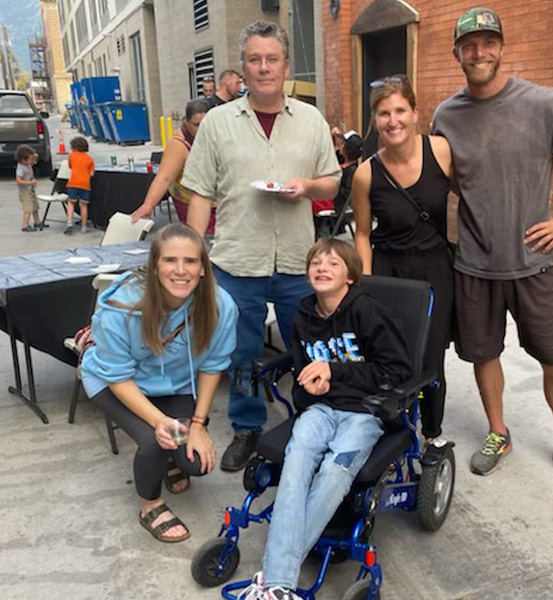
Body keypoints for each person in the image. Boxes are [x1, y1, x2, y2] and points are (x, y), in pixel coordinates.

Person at [431, 7, 553, 490]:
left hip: (536, 264)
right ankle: (499, 432)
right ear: (457, 53)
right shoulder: (446, 115)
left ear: (501, 47)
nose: (479, 52)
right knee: (482, 354)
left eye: (487, 43)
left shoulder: (544, 104)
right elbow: (450, 179)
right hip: (475, 264)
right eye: (469, 45)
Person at [180, 20, 341, 473]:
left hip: (297, 262)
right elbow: (200, 194)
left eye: (272, 59)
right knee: (242, 352)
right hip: (236, 259)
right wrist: (194, 259)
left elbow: (333, 178)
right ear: (243, 67)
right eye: (255, 59)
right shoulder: (216, 123)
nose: (264, 67)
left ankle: (312, 421)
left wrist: (308, 186)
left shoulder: (310, 120)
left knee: (308, 347)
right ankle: (248, 428)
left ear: (286, 66)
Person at [238, 238, 411, 600]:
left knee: (335, 470)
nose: (322, 268)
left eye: (333, 263)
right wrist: (309, 390)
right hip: (319, 409)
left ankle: (274, 579)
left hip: (364, 411)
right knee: (296, 465)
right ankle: (280, 586)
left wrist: (335, 372)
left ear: (349, 276)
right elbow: (302, 375)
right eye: (316, 262)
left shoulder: (366, 312)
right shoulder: (303, 315)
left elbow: (396, 371)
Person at [81, 223, 238, 543]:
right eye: (170, 260)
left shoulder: (220, 306)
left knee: (196, 463)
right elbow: (117, 375)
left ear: (204, 268)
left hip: (174, 385)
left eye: (191, 261)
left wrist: (198, 424)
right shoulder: (121, 305)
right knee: (154, 440)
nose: (181, 270)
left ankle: (171, 461)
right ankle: (150, 504)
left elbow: (212, 367)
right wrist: (161, 422)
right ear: (154, 266)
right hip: (116, 383)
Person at [352, 76, 454, 446]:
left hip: (434, 270)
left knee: (430, 358)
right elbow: (362, 233)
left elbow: (472, 194)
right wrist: (364, 286)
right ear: (375, 120)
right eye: (383, 113)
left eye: (399, 111)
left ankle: (431, 433)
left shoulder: (441, 151)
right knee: (388, 351)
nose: (392, 120)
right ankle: (391, 427)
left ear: (415, 113)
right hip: (389, 271)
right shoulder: (366, 173)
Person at [131, 99, 210, 226]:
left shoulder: (213, 133)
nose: (201, 129)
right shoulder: (179, 144)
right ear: (186, 121)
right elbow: (164, 177)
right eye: (196, 125)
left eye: (205, 124)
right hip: (191, 205)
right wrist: (148, 205)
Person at [64, 136, 95, 234]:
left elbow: (70, 166)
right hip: (85, 184)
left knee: (71, 203)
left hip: (73, 183)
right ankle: (84, 226)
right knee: (83, 205)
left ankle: (69, 223)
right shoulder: (90, 159)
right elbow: (92, 174)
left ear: (74, 147)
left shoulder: (72, 156)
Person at [14, 145, 42, 232]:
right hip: (25, 192)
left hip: (31, 190)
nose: (32, 162)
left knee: (35, 206)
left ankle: (37, 222)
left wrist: (34, 156)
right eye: (31, 160)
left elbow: (35, 156)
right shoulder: (21, 168)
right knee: (28, 208)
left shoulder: (28, 164)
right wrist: (30, 183)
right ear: (23, 160)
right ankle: (25, 225)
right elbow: (18, 180)